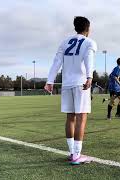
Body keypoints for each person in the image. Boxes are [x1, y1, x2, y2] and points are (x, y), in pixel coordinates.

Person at [44, 16, 97, 165]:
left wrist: (50, 81)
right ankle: (76, 155)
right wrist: (89, 77)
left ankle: (72, 153)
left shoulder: (65, 42)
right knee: (81, 117)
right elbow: (88, 58)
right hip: (80, 84)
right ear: (88, 29)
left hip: (66, 84)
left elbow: (57, 61)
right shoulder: (89, 42)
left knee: (70, 118)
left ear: (75, 28)